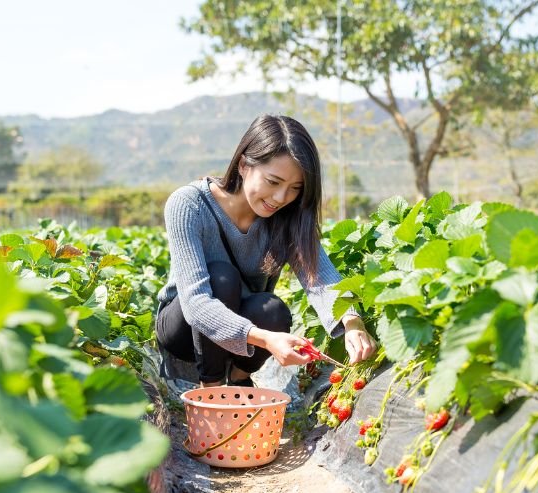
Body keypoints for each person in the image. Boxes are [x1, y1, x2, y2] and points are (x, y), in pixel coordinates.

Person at [155, 114, 376, 388]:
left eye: (295, 188)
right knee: (221, 277)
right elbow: (195, 304)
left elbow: (319, 277)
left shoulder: (287, 217)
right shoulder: (189, 204)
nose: (281, 198)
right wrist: (266, 339)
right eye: (273, 182)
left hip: (244, 339)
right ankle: (210, 391)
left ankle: (239, 378)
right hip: (185, 332)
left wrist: (352, 322)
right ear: (244, 164)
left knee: (273, 311)